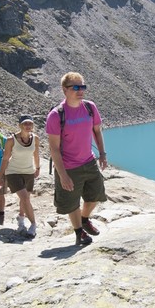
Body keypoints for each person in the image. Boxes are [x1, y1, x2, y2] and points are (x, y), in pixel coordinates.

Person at [47, 72, 108, 246]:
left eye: (83, 87)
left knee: (96, 195)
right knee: (72, 202)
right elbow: (54, 148)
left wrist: (102, 154)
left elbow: (97, 131)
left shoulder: (90, 107)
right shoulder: (56, 115)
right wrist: (63, 175)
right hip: (68, 166)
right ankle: (79, 232)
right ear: (64, 90)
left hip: (88, 161)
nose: (80, 91)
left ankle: (84, 219)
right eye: (76, 87)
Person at [0, 115, 41, 238]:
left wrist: (37, 168)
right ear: (20, 125)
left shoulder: (35, 138)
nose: (28, 126)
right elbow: (5, 158)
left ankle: (21, 218)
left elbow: (36, 154)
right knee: (25, 198)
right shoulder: (11, 140)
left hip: (28, 172)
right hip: (13, 172)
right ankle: (33, 224)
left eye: (30, 124)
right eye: (25, 124)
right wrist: (0, 176)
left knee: (25, 198)